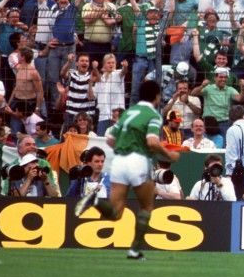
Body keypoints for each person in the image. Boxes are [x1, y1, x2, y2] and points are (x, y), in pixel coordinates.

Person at [74, 80, 180, 260]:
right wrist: (169, 155)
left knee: (115, 213)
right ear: (157, 96)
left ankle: (95, 201)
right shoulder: (153, 115)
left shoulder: (128, 113)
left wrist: (125, 147)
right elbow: (152, 142)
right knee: (146, 206)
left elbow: (109, 140)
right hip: (138, 160)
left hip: (119, 162)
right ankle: (134, 250)